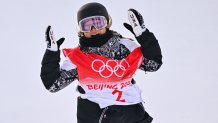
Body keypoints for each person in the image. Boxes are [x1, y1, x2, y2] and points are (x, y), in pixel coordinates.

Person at [40, 2, 162, 123]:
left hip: (129, 114)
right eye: (87, 25)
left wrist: (143, 34)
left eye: (98, 23)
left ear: (107, 23)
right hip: (94, 115)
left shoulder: (124, 47)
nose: (93, 30)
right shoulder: (78, 57)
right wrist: (52, 52)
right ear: (80, 29)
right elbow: (53, 85)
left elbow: (153, 64)